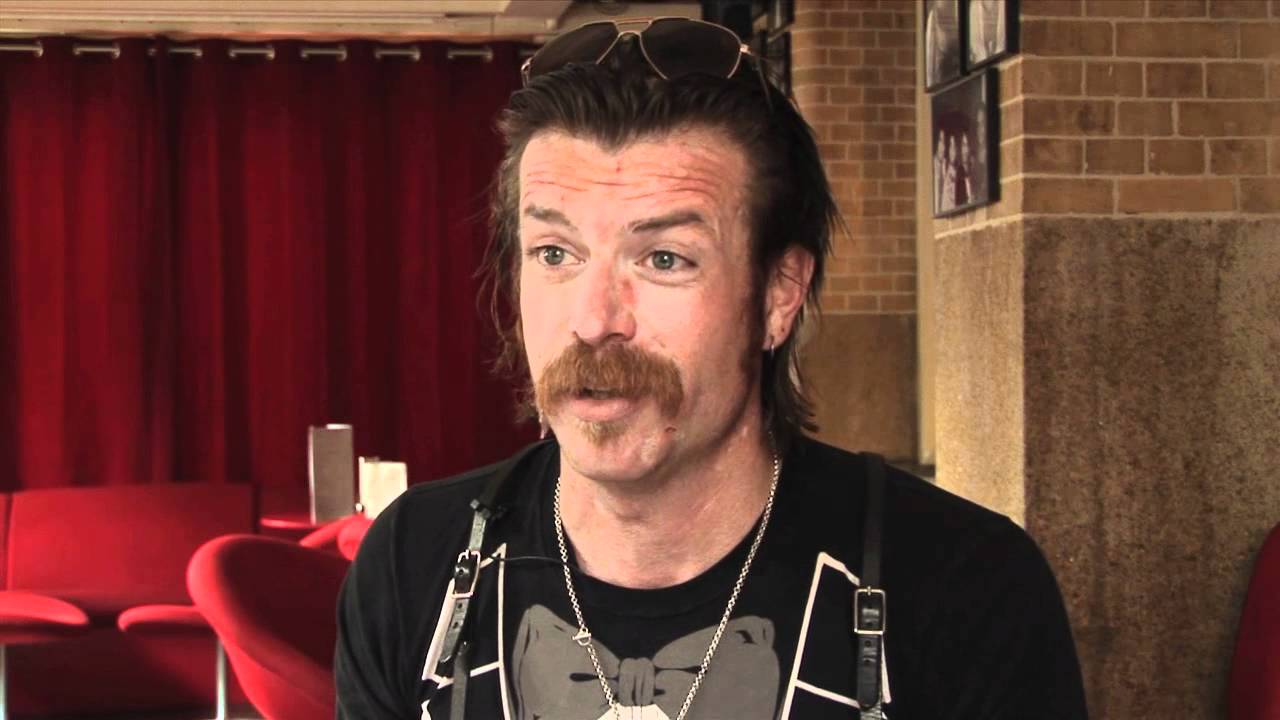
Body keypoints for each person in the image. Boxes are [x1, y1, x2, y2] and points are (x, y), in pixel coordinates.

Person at [335, 17, 1088, 720]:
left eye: (664, 259)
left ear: (779, 295)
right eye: (556, 253)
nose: (594, 319)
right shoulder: (415, 564)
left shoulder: (965, 584)